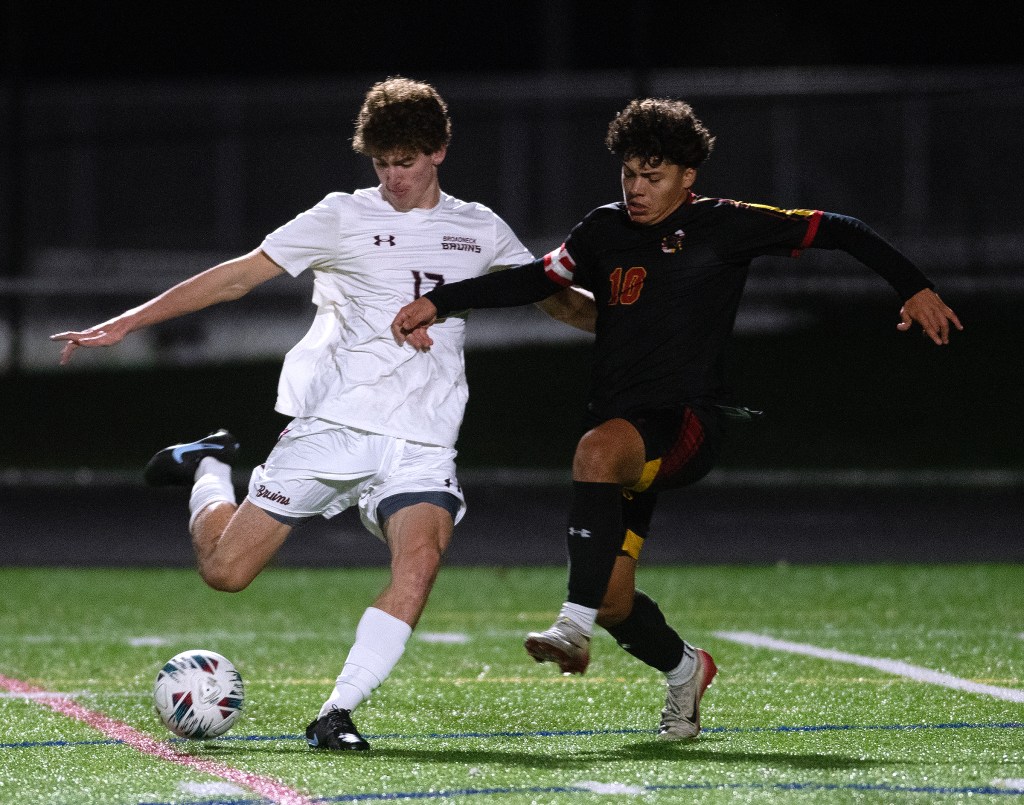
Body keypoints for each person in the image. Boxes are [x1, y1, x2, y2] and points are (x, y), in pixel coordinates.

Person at [391, 97, 963, 741]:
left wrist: (913, 287)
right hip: (626, 429)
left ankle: (571, 626)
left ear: (688, 178)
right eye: (629, 174)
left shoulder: (727, 224)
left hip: (686, 423)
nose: (636, 189)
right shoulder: (602, 229)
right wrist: (441, 300)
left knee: (594, 453)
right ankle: (685, 668)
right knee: (617, 600)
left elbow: (843, 228)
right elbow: (533, 281)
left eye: (652, 176)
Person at [50, 76, 595, 751]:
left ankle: (336, 712)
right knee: (225, 572)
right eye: (383, 163)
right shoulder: (342, 214)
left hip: (422, 438)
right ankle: (212, 462)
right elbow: (237, 276)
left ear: (440, 151)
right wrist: (126, 322)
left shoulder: (479, 228)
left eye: (407, 162)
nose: (394, 178)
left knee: (419, 562)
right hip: (334, 425)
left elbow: (552, 296)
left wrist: (639, 331)